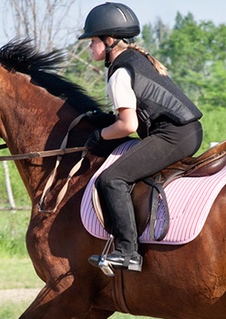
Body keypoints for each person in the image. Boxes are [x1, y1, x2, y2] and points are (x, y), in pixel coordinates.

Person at [80, 2, 203, 273]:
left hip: (174, 135)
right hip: (185, 131)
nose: (89, 47)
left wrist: (99, 135)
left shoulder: (121, 73)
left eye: (92, 41)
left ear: (109, 40)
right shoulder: (137, 60)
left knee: (112, 179)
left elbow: (127, 125)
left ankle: (127, 252)